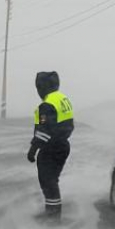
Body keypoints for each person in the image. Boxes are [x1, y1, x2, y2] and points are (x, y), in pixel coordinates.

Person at [27, 71, 74, 220]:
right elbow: (68, 125)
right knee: (52, 180)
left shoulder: (47, 105)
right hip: (63, 145)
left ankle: (53, 217)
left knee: (48, 181)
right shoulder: (62, 99)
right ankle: (52, 211)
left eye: (38, 87)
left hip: (52, 148)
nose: (38, 91)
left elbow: (44, 130)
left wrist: (32, 150)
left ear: (43, 87)